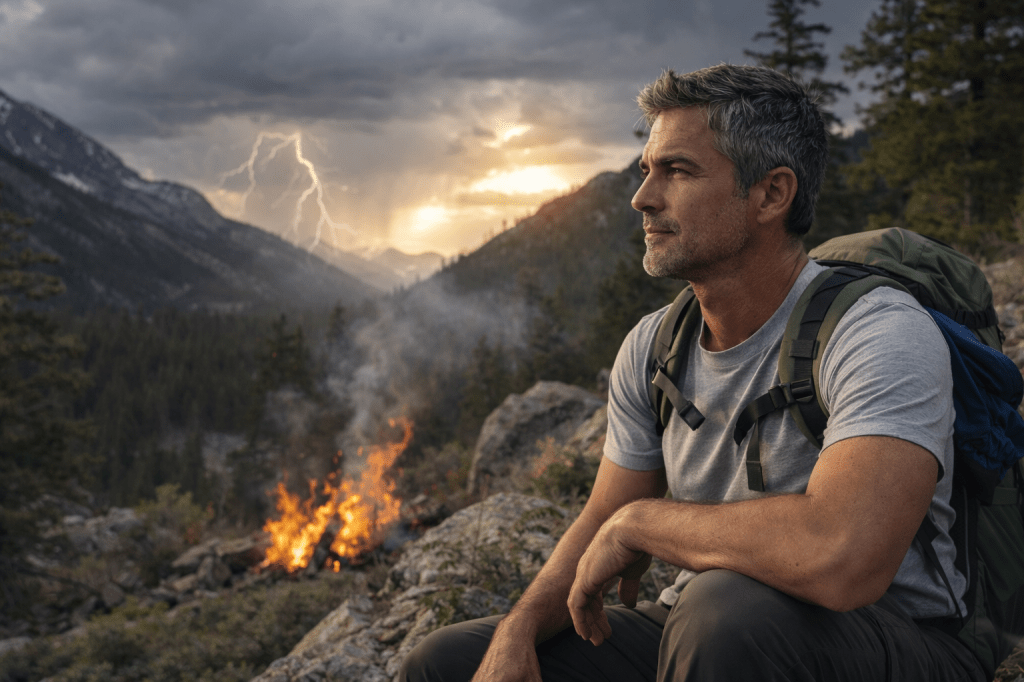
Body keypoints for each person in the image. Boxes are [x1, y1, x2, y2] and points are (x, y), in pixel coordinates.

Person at [400, 64, 986, 681]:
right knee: (445, 664)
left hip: (891, 639)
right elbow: (604, 515)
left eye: (677, 171)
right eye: (647, 169)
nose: (643, 197)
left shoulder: (875, 331)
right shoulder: (655, 347)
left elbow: (845, 557)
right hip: (712, 631)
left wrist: (645, 523)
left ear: (771, 195)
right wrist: (517, 628)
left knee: (722, 614)